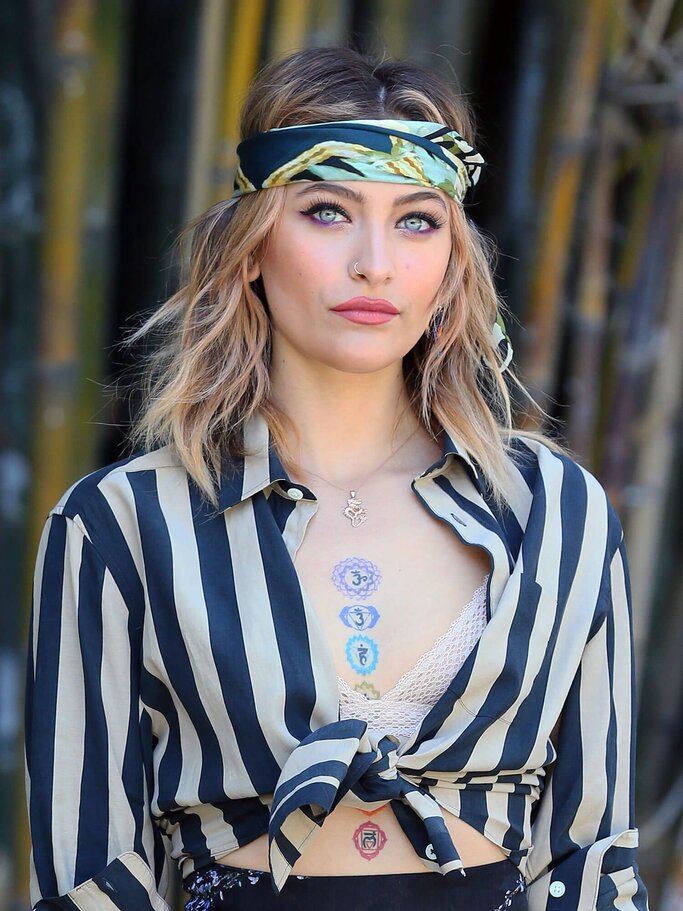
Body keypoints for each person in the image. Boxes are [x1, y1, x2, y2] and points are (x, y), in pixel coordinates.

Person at [24, 45, 650, 911]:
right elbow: (89, 873)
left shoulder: (554, 510)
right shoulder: (122, 525)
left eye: (416, 221)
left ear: (452, 264)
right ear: (249, 248)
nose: (375, 264)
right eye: (326, 211)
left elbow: (590, 859)